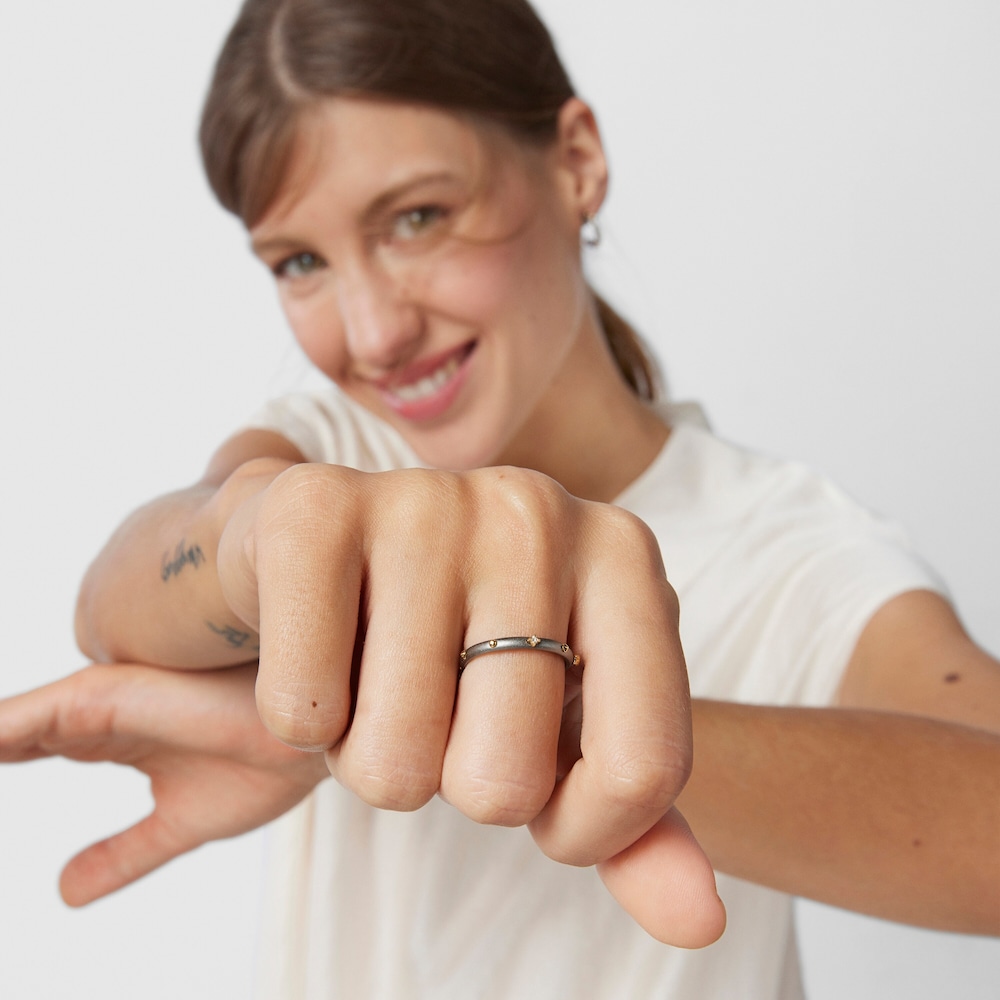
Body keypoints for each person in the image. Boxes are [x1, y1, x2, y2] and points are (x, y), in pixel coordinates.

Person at [0, 0, 997, 998]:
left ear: (575, 161)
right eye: (300, 261)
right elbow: (115, 602)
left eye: (417, 217)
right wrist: (257, 533)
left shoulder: (796, 556)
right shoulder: (332, 456)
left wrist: (578, 721)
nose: (372, 331)